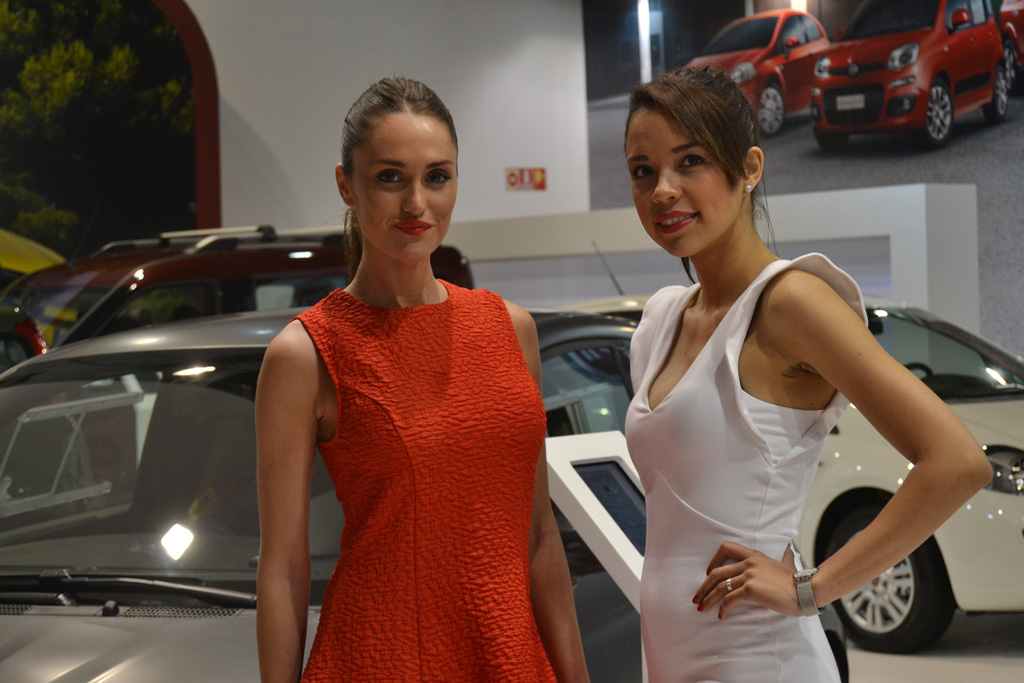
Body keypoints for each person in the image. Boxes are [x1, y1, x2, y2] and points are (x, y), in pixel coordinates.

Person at [622, 65, 991, 682]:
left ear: (749, 168)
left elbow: (956, 461)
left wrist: (811, 588)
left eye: (690, 162)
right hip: (668, 657)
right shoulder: (661, 319)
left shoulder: (790, 302)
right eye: (643, 170)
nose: (662, 190)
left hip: (758, 659)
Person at [255, 77, 590, 683]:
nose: (416, 203)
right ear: (346, 185)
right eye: (390, 177)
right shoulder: (305, 354)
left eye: (437, 177)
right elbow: (283, 569)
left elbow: (540, 539)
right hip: (379, 660)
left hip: (508, 660)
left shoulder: (510, 329)